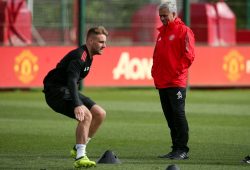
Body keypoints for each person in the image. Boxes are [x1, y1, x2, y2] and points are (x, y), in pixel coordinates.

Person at [43, 26, 108, 168]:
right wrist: (78, 104)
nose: (105, 46)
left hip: (65, 89)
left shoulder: (89, 55)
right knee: (86, 116)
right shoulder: (80, 57)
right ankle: (80, 156)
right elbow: (71, 81)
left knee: (100, 114)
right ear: (90, 41)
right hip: (56, 92)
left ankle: (78, 147)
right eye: (101, 42)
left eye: (104, 42)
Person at [151, 1, 195, 160]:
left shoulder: (184, 31)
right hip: (162, 82)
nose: (162, 18)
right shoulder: (162, 32)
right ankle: (175, 148)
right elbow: (157, 55)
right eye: (160, 16)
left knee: (178, 115)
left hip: (176, 82)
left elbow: (189, 56)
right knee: (170, 117)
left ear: (174, 14)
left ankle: (182, 149)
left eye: (165, 15)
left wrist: (175, 72)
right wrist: (155, 72)